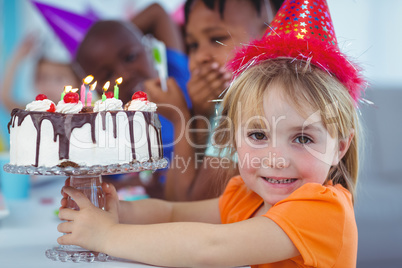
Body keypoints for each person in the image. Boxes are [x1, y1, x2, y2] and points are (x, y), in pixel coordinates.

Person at [57, 1, 365, 266]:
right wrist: (120, 212)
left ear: (339, 147)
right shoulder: (248, 195)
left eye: (302, 139)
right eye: (258, 135)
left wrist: (109, 235)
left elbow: (211, 248)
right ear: (233, 137)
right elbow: (174, 212)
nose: (276, 158)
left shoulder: (322, 211)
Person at [146, 0, 284, 201]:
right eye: (193, 45)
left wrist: (181, 118)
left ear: (268, 36)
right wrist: (201, 113)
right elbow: (173, 199)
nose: (200, 56)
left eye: (217, 39)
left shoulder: (255, 108)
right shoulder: (219, 104)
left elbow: (189, 208)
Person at [73, 4, 191, 196]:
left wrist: (119, 32)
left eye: (129, 56)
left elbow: (157, 13)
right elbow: (99, 182)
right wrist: (138, 184)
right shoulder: (113, 128)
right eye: (108, 74)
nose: (124, 75)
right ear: (97, 90)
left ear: (148, 49)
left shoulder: (176, 76)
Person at [0, 33, 80, 112]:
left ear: (77, 81)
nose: (49, 85)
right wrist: (16, 58)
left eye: (59, 79)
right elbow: (5, 99)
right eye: (43, 78)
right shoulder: (34, 112)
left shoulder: (84, 112)